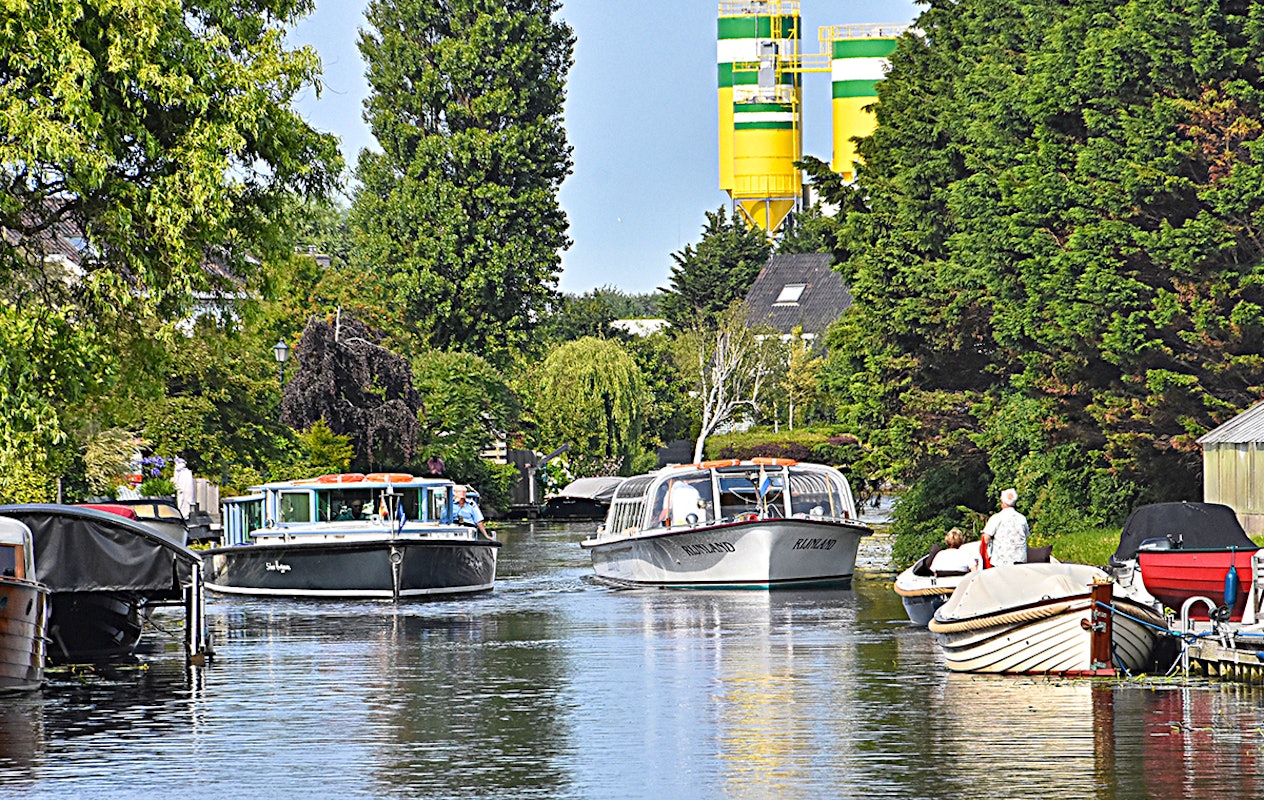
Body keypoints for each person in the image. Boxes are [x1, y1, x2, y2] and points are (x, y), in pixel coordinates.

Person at [981, 487, 1029, 567]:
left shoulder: (996, 518)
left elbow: (985, 539)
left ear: (1002, 502)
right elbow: (1026, 535)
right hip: (1020, 560)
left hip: (1000, 562)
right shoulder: (1022, 518)